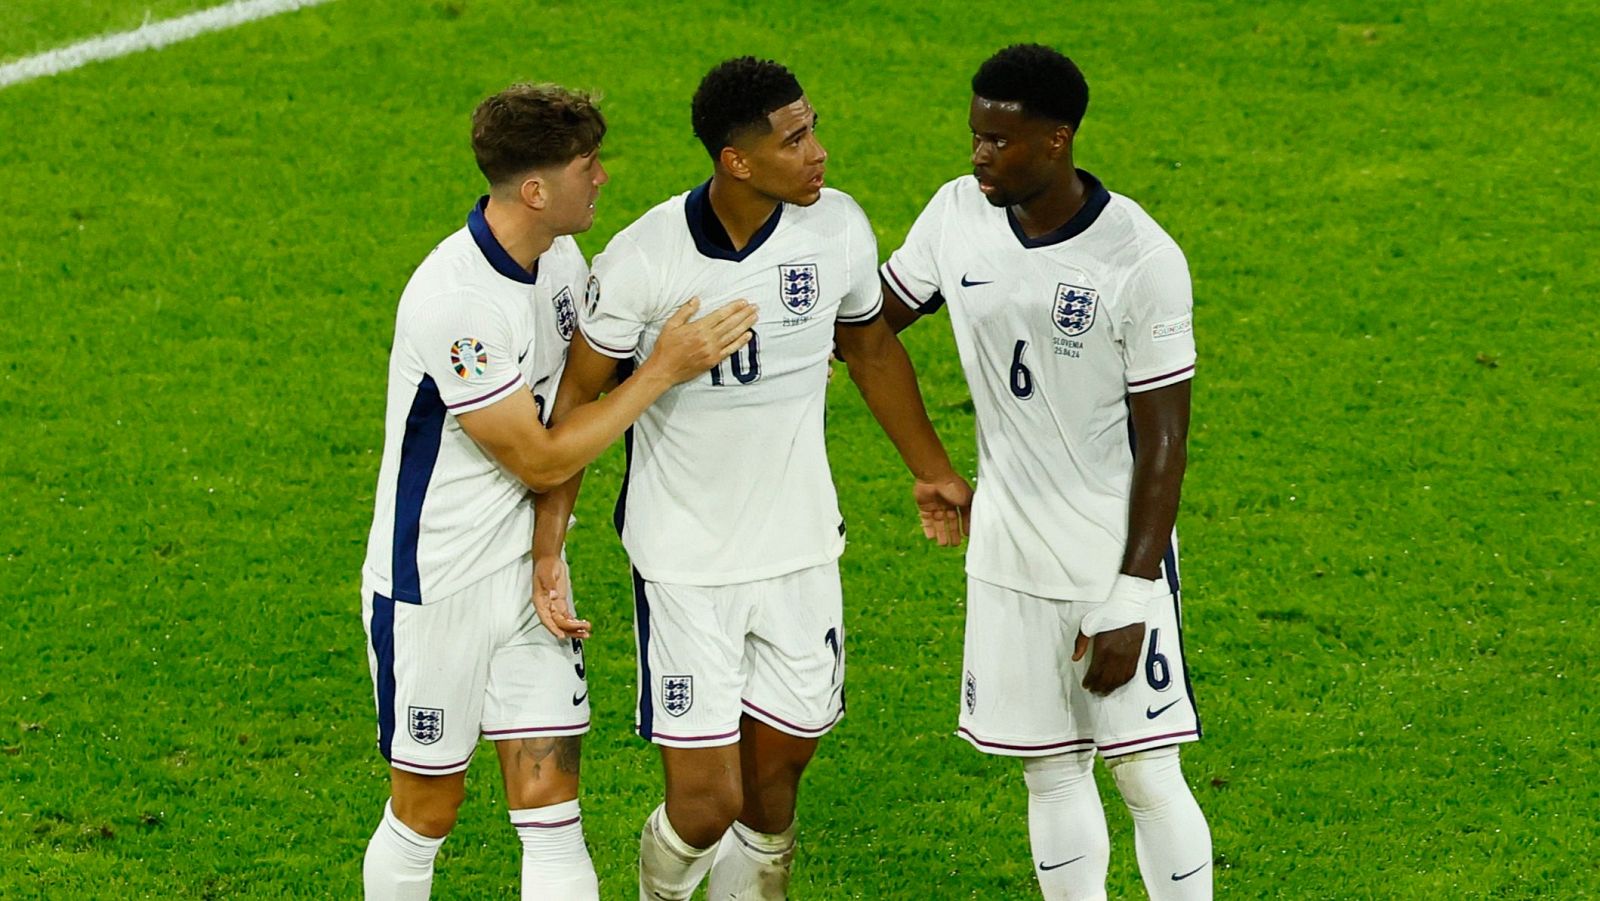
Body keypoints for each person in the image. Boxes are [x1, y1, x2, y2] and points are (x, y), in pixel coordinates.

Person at [531, 56, 972, 900]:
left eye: (813, 129)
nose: (819, 152)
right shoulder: (645, 260)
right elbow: (578, 400)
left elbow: (870, 347)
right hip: (685, 561)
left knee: (773, 793)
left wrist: (933, 470)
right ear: (737, 160)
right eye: (795, 138)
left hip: (802, 550)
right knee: (705, 803)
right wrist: (551, 544)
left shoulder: (836, 227)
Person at [358, 83, 757, 901]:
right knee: (428, 806)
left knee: (552, 809)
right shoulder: (458, 304)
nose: (602, 177)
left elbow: (580, 395)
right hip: (435, 586)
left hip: (531, 584)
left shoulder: (561, 260)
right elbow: (539, 456)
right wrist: (664, 368)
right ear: (536, 190)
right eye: (587, 165)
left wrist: (547, 552)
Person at [879, 44, 1213, 900]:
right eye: (975, 136)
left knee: (1143, 772)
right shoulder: (956, 214)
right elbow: (869, 325)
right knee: (1049, 771)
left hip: (1109, 550)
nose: (979, 156)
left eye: (1000, 141)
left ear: (1058, 140)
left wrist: (1133, 597)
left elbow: (1166, 441)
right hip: (1005, 550)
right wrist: (929, 463)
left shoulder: (1138, 258)